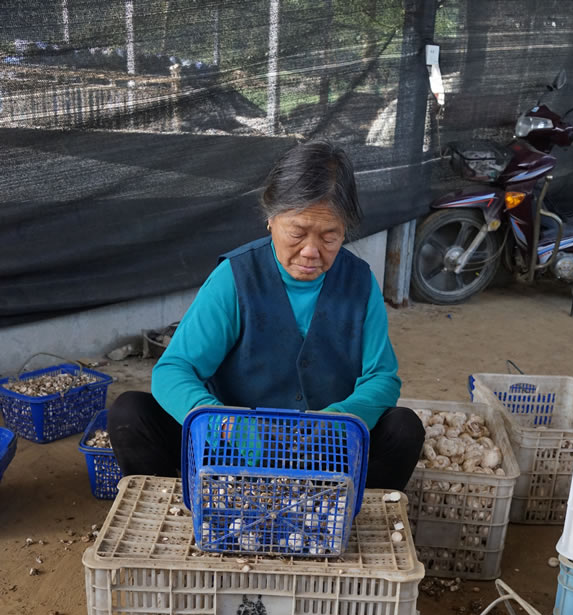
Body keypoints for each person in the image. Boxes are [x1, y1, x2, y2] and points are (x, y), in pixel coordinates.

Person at [108, 138, 425, 490]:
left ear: (344, 231)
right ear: (271, 219)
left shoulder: (359, 283)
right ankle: (182, 513)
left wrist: (340, 420)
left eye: (329, 237)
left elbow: (382, 377)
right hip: (233, 452)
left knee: (403, 428)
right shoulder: (235, 278)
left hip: (323, 452)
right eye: (297, 233)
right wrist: (224, 423)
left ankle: (345, 517)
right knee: (131, 414)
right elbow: (174, 370)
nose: (310, 251)